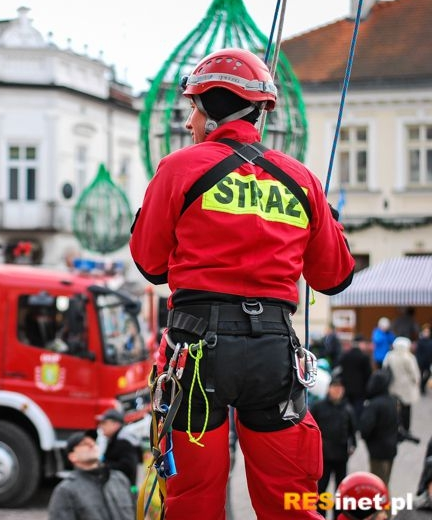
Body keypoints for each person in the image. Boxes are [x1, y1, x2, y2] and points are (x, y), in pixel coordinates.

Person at [129, 47, 355, 519]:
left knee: (194, 499)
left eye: (192, 107)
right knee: (292, 501)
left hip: (196, 353)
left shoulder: (179, 169)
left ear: (209, 109)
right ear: (260, 110)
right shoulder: (302, 181)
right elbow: (334, 277)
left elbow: (150, 265)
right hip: (273, 353)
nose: (190, 120)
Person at [48, 430, 135, 520]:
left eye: (94, 442)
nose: (92, 445)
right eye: (84, 444)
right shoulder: (65, 490)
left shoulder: (120, 479)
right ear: (72, 456)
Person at [310, 375, 357, 519]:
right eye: (334, 388)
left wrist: (353, 445)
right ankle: (321, 516)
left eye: (339, 388)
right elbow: (311, 430)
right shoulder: (318, 407)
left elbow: (352, 431)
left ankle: (338, 516)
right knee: (322, 490)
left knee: (340, 490)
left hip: (341, 456)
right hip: (324, 457)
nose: (337, 391)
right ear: (329, 389)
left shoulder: (348, 409)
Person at [359, 370, 400, 486]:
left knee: (377, 485)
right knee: (385, 482)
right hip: (391, 448)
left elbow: (365, 429)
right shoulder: (393, 401)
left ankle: (381, 504)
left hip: (377, 450)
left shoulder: (374, 404)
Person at [383, 336, 421, 433]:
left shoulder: (389, 355)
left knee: (394, 408)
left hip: (393, 386)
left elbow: (384, 368)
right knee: (406, 409)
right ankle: (406, 428)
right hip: (406, 387)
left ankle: (395, 426)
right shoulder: (409, 357)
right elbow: (414, 373)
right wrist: (417, 382)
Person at [96, 408, 140, 490]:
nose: (101, 426)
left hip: (123, 489)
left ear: (115, 424)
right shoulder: (114, 439)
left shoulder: (124, 441)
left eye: (104, 423)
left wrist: (104, 466)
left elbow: (127, 467)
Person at [339, 334, 373, 421]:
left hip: (346, 388)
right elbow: (368, 375)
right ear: (361, 344)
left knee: (347, 409)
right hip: (360, 389)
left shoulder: (345, 356)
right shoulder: (364, 357)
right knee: (358, 410)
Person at [416, 323, 432, 395]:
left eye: (427, 332)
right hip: (421, 361)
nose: (426, 333)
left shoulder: (430, 342)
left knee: (428, 374)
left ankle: (422, 385)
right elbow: (418, 352)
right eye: (425, 332)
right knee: (421, 375)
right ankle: (421, 388)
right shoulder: (420, 341)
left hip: (428, 361)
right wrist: (418, 361)